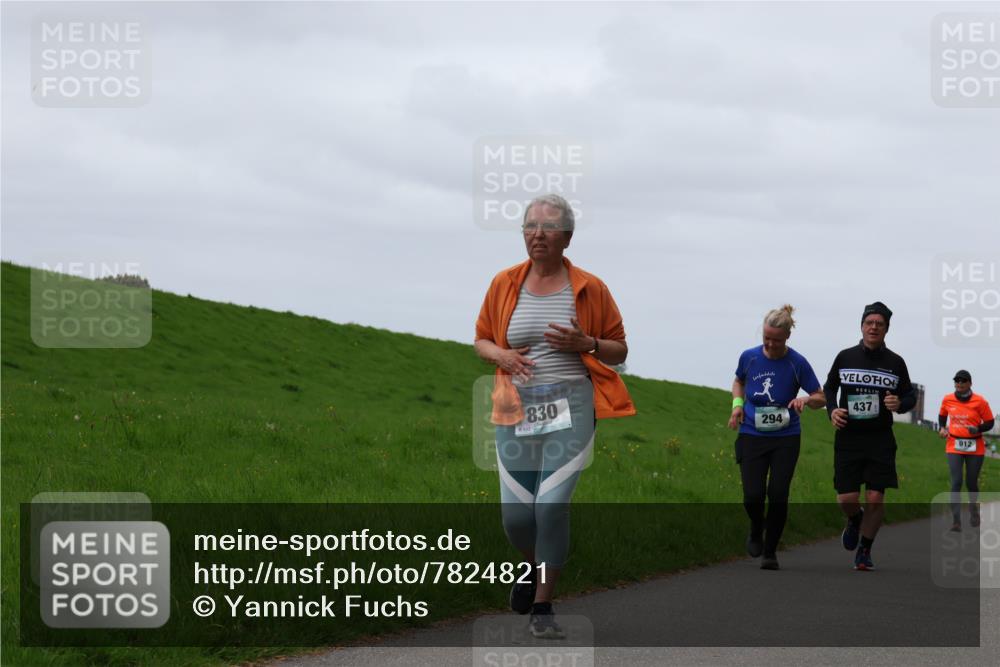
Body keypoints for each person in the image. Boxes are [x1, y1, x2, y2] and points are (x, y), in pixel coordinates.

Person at [474, 194, 635, 638]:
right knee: (517, 518)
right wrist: (502, 356)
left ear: (567, 236)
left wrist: (586, 344)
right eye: (529, 227)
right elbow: (482, 339)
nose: (537, 234)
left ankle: (543, 607)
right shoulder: (504, 283)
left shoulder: (590, 288)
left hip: (572, 407)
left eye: (546, 228)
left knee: (551, 506)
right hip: (515, 409)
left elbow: (619, 347)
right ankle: (530, 569)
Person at [728, 305, 825, 570]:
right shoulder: (749, 357)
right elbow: (739, 381)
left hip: (786, 436)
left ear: (787, 338)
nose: (770, 344)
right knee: (753, 495)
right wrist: (737, 406)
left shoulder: (797, 363)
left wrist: (805, 399)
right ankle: (756, 527)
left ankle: (770, 551)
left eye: (777, 340)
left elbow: (821, 397)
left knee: (778, 493)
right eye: (766, 338)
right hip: (751, 432)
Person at [824, 302, 916, 570]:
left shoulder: (895, 362)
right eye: (869, 322)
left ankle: (864, 549)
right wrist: (832, 411)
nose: (874, 327)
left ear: (886, 329)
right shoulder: (845, 357)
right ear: (862, 326)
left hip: (880, 438)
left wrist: (900, 403)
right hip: (849, 436)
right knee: (846, 499)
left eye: (879, 324)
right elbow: (829, 387)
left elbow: (909, 395)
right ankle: (854, 519)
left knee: (876, 497)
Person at [938, 369, 994, 531]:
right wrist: (942, 428)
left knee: (971, 483)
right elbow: (942, 416)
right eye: (957, 381)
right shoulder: (948, 399)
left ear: (970, 383)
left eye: (963, 381)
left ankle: (974, 511)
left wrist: (977, 428)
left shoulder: (980, 401)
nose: (959, 384)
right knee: (956, 482)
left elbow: (989, 422)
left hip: (975, 446)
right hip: (954, 444)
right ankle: (956, 521)